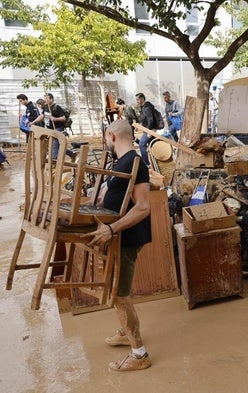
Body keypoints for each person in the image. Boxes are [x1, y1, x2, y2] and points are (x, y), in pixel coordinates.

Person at [87, 119, 152, 371]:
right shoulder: (123, 163)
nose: (105, 143)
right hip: (118, 237)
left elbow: (143, 206)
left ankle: (139, 355)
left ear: (110, 135)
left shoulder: (135, 162)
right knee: (117, 293)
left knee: (119, 295)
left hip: (125, 239)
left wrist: (112, 228)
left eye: (105, 138)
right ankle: (126, 333)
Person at [28, 93, 74, 159]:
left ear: (51, 99)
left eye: (46, 99)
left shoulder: (57, 107)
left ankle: (53, 160)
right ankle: (71, 154)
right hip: (50, 129)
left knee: (55, 143)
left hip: (58, 128)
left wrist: (55, 119)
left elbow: (63, 118)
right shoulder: (46, 107)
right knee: (57, 146)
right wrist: (33, 122)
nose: (45, 100)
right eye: (44, 99)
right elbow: (41, 116)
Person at [135, 93, 156, 166]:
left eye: (138, 99)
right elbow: (145, 119)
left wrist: (150, 131)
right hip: (147, 130)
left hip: (149, 130)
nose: (137, 101)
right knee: (152, 145)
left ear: (142, 99)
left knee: (142, 144)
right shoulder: (144, 107)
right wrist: (139, 125)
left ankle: (147, 164)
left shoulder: (147, 108)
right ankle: (155, 163)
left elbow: (151, 120)